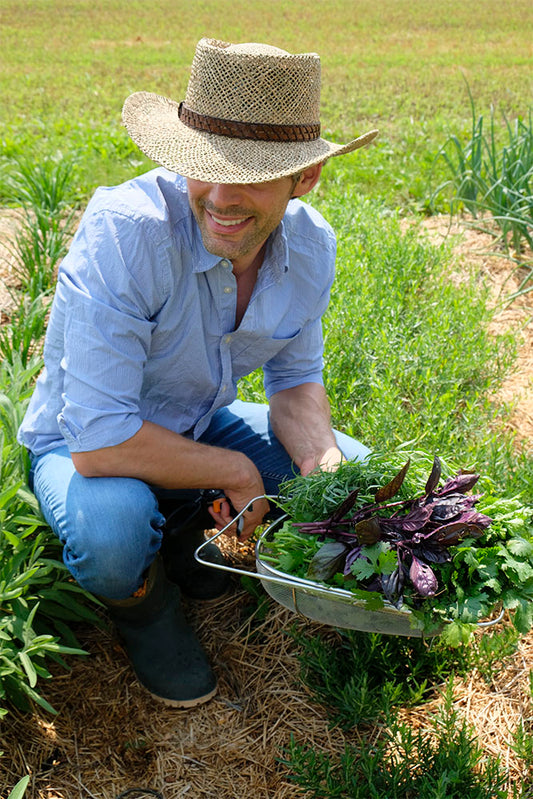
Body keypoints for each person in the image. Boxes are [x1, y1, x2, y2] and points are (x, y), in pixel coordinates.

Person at [18, 38, 378, 708]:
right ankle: (145, 608)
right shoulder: (126, 234)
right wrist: (236, 473)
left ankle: (192, 534)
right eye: (202, 167)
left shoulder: (310, 245)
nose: (219, 196)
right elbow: (99, 440)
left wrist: (321, 464)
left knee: (355, 474)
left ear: (305, 179)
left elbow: (295, 381)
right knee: (112, 532)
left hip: (195, 419)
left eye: (249, 174)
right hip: (83, 443)